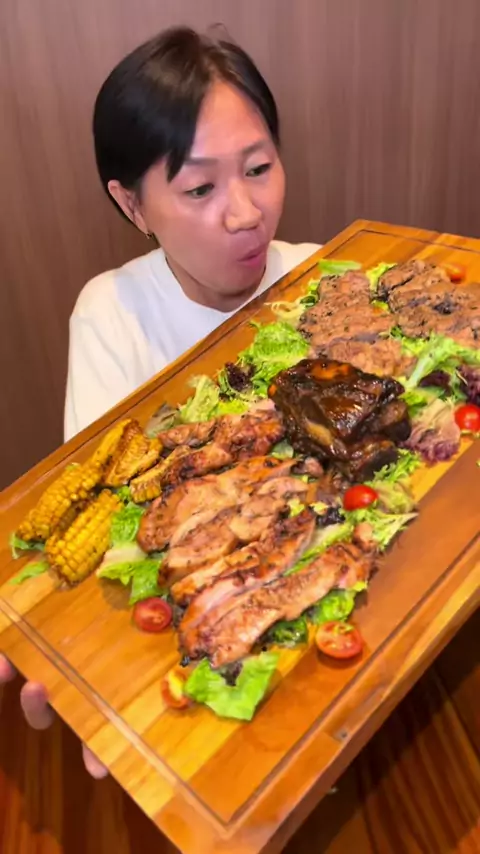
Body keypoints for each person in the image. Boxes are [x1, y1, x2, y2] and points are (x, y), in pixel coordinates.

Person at [0, 26, 320, 776]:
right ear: (132, 203)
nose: (245, 213)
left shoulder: (322, 276)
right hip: (203, 675)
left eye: (259, 168)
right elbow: (112, 518)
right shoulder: (111, 314)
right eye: (200, 188)